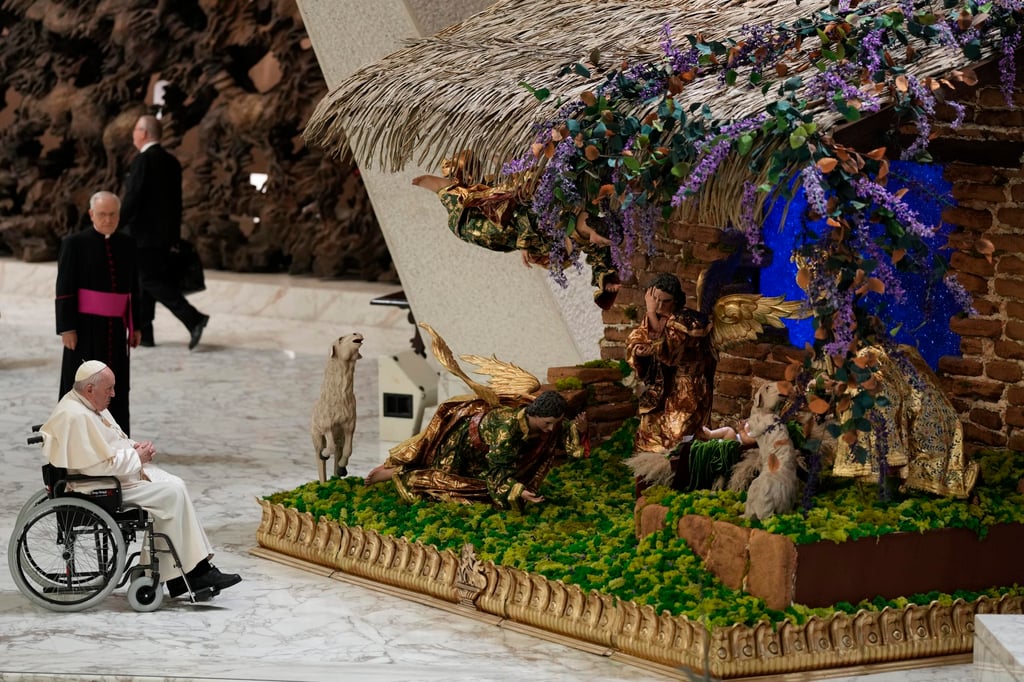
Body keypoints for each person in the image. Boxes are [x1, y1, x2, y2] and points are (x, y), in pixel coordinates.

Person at [40, 360, 242, 599]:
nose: (113, 394)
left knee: (176, 486)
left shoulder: (87, 403)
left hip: (115, 478)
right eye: (109, 389)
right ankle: (191, 574)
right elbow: (97, 466)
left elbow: (112, 441)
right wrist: (137, 457)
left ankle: (189, 572)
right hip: (99, 487)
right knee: (171, 494)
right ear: (90, 389)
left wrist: (135, 447)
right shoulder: (75, 415)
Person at [411, 152, 621, 309]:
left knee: (486, 234)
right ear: (597, 229)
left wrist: (607, 279)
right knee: (473, 228)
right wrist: (525, 242)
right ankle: (441, 186)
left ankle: (455, 186)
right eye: (603, 240)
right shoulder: (563, 214)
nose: (600, 244)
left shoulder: (586, 235)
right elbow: (527, 213)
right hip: (503, 222)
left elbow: (600, 255)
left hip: (509, 236)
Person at [365, 391, 586, 510]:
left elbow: (563, 431)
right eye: (547, 423)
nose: (551, 429)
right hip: (460, 444)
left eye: (554, 423)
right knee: (449, 486)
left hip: (484, 452)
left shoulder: (543, 421)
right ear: (534, 414)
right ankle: (399, 473)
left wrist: (580, 430)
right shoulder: (508, 432)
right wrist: (518, 490)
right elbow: (497, 476)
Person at [56, 191, 142, 435]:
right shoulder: (74, 243)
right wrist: (67, 328)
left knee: (116, 386)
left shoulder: (128, 244)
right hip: (84, 328)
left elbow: (134, 288)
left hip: (116, 329)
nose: (108, 220)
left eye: (113, 214)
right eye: (102, 214)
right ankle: (76, 437)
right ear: (91, 214)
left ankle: (117, 436)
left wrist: (136, 325)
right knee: (84, 383)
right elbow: (64, 289)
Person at [120, 114, 209, 350]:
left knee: (150, 281)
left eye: (135, 129)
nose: (133, 134)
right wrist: (173, 236)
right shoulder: (172, 162)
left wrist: (114, 223)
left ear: (144, 133)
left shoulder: (142, 161)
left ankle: (193, 318)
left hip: (142, 236)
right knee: (144, 283)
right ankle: (144, 334)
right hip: (164, 236)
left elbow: (132, 198)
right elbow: (176, 204)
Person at [626, 273, 716, 454]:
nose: (659, 306)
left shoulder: (685, 321)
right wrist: (637, 350)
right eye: (655, 301)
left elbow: (669, 352)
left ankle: (682, 463)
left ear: (675, 301)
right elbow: (640, 335)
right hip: (664, 384)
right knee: (649, 427)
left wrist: (651, 312)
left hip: (688, 386)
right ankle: (651, 465)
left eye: (665, 302)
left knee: (679, 433)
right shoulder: (655, 317)